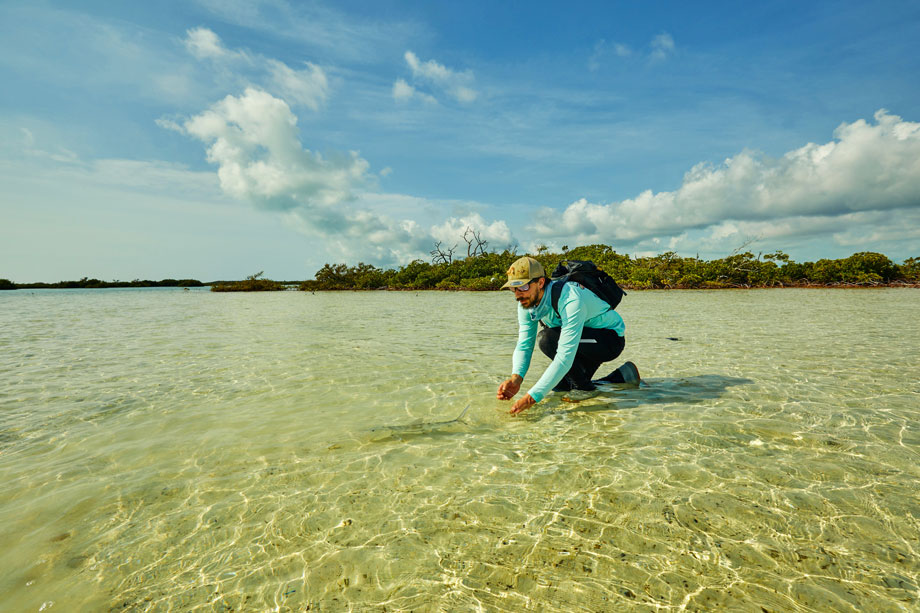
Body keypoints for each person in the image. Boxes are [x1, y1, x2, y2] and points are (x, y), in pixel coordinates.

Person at [496, 256, 639, 414]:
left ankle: (586, 390)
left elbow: (564, 356)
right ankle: (621, 377)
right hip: (582, 341)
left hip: (609, 340)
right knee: (561, 388)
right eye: (513, 289)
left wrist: (531, 398)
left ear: (541, 282)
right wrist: (516, 378)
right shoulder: (526, 303)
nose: (518, 295)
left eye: (523, 287)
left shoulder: (570, 298)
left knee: (547, 339)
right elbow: (524, 344)